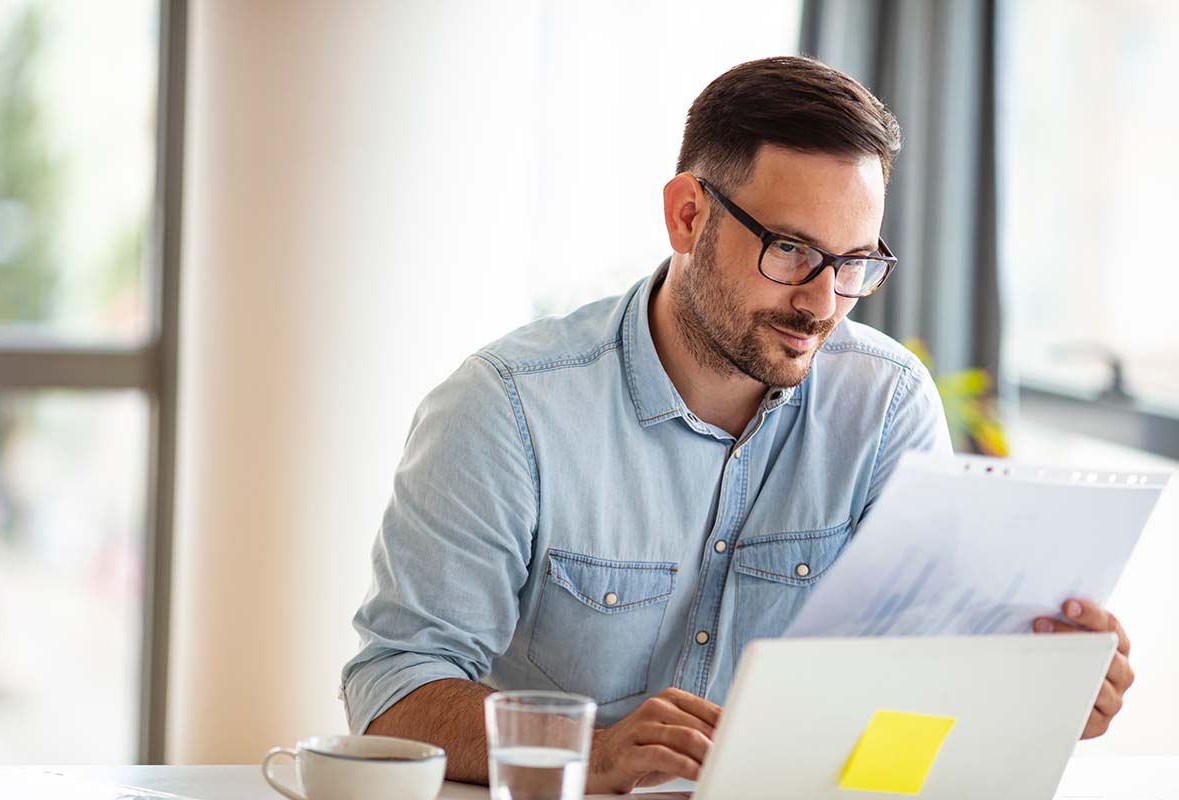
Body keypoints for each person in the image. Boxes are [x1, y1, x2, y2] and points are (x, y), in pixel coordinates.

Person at [340, 56, 1133, 793]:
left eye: (854, 263)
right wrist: (597, 750)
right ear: (687, 216)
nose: (822, 303)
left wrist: (1040, 690)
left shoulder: (885, 405)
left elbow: (909, 702)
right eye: (790, 250)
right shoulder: (506, 408)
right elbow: (394, 689)